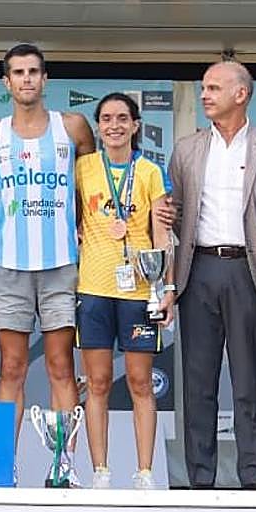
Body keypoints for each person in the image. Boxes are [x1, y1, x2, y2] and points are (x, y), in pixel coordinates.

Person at [0, 44, 95, 440]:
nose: (27, 79)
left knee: (61, 366)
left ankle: (65, 467)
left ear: (45, 79)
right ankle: (6, 467)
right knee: (12, 368)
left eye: (33, 71)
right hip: (9, 267)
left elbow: (90, 183)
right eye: (19, 72)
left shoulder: (72, 126)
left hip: (60, 264)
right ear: (6, 82)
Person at [169, 61, 256, 489]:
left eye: (214, 88)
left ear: (240, 94)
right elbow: (175, 218)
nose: (205, 95)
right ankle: (200, 481)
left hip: (249, 270)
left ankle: (253, 480)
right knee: (198, 383)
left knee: (248, 381)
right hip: (198, 270)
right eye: (203, 88)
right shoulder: (187, 149)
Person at [74, 93, 174, 489]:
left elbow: (162, 232)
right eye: (106, 119)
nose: (114, 125)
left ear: (135, 125)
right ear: (98, 127)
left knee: (140, 383)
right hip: (94, 288)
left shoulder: (150, 171)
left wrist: (166, 286)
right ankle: (100, 471)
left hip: (138, 291)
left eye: (122, 118)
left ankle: (145, 472)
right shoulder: (82, 169)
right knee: (96, 383)